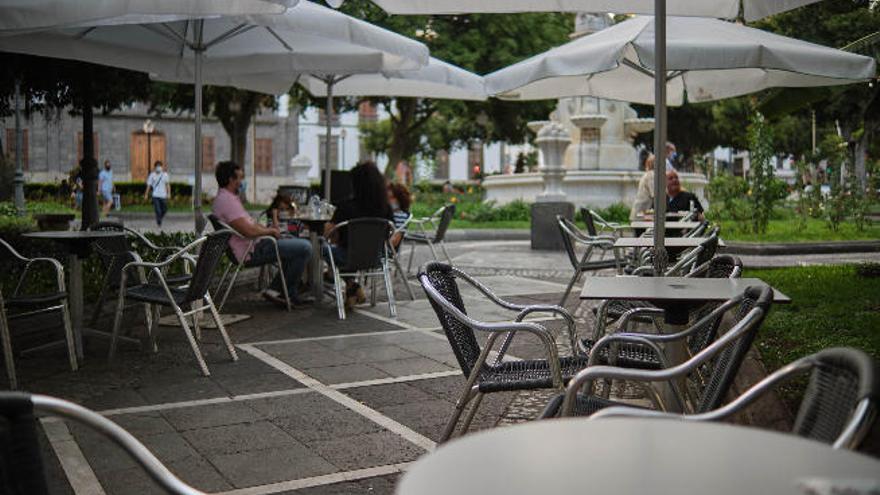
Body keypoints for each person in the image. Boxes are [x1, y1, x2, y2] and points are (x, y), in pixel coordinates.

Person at [212, 161, 313, 307]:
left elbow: (249, 224)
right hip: (251, 251)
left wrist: (268, 230)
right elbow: (248, 231)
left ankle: (277, 290)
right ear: (230, 179)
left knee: (292, 243)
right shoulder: (227, 201)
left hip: (254, 245)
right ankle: (284, 293)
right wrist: (270, 231)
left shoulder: (226, 198)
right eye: (240, 178)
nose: (242, 182)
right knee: (305, 247)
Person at [324, 160, 393, 309]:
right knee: (349, 253)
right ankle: (352, 287)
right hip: (376, 257)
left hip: (348, 256)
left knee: (322, 248)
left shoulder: (344, 207)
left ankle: (350, 285)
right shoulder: (385, 208)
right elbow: (388, 234)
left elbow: (329, 234)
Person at [144, 161, 171, 228]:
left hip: (163, 195)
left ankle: (160, 218)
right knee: (158, 210)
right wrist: (146, 194)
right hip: (155, 195)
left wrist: (169, 193)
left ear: (162, 167)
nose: (158, 167)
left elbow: (167, 185)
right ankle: (159, 221)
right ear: (155, 167)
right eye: (157, 166)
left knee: (164, 209)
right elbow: (149, 186)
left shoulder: (165, 175)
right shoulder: (152, 175)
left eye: (160, 166)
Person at [630, 154, 655, 221]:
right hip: (643, 213)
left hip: (639, 212)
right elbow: (655, 194)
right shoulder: (652, 175)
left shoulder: (647, 174)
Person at [387, 182, 412, 249]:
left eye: (391, 198)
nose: (388, 201)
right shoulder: (385, 213)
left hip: (385, 251)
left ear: (400, 199)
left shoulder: (401, 216)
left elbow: (395, 242)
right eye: (386, 197)